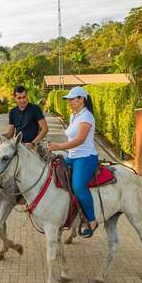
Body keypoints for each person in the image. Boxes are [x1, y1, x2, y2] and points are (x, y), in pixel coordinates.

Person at [47, 86, 99, 237]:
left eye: (71, 99)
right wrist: (56, 148)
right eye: (68, 99)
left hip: (86, 157)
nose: (69, 102)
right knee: (53, 173)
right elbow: (71, 139)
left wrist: (59, 146)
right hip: (73, 156)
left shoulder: (87, 117)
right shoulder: (74, 116)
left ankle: (92, 220)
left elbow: (79, 140)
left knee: (78, 186)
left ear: (81, 99)